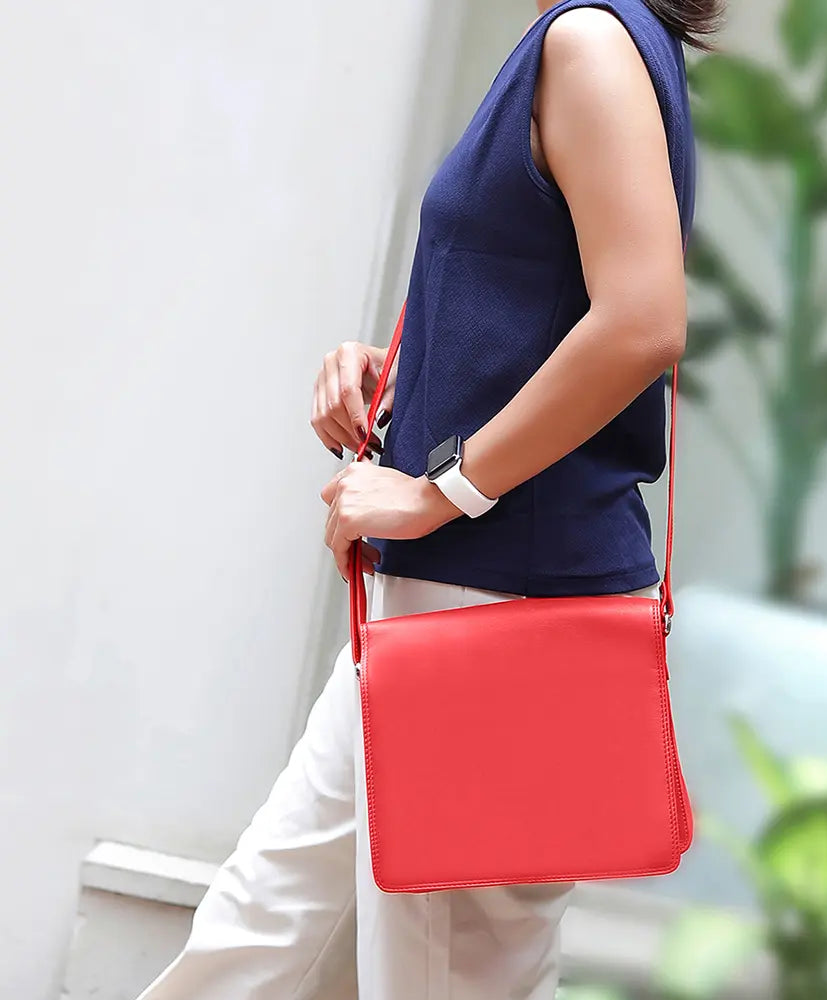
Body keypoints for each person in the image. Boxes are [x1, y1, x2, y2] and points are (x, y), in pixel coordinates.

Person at [134, 0, 720, 997]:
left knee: (428, 975)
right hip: (446, 612)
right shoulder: (579, 38)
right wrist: (403, 369)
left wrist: (436, 491)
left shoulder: (591, 41)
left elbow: (640, 323)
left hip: (499, 623)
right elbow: (541, 308)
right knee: (257, 939)